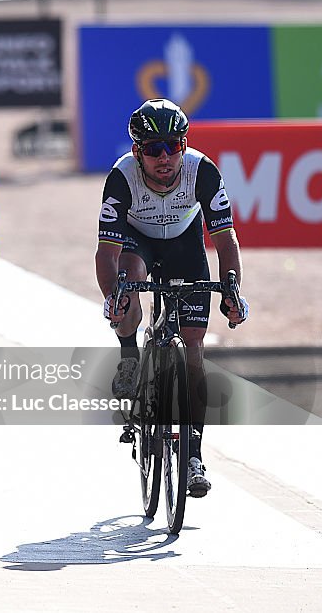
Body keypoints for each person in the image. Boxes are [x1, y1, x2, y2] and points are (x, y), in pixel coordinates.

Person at [95, 98, 250, 498]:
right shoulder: (121, 178)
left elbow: (224, 240)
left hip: (184, 243)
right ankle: (130, 358)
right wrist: (114, 297)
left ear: (184, 144)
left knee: (194, 348)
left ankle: (194, 454)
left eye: (173, 146)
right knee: (129, 285)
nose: (164, 157)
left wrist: (231, 288)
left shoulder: (203, 172)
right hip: (137, 242)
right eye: (152, 149)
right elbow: (106, 254)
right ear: (137, 152)